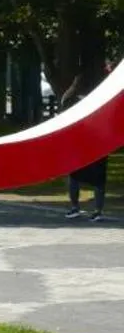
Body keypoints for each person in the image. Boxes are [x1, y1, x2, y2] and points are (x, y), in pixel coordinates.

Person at [63, 72, 111, 221]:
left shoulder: (77, 102)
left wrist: (73, 84)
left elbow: (64, 100)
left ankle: (77, 208)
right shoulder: (103, 102)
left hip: (86, 146)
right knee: (95, 180)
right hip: (94, 146)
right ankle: (96, 211)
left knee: (76, 177)